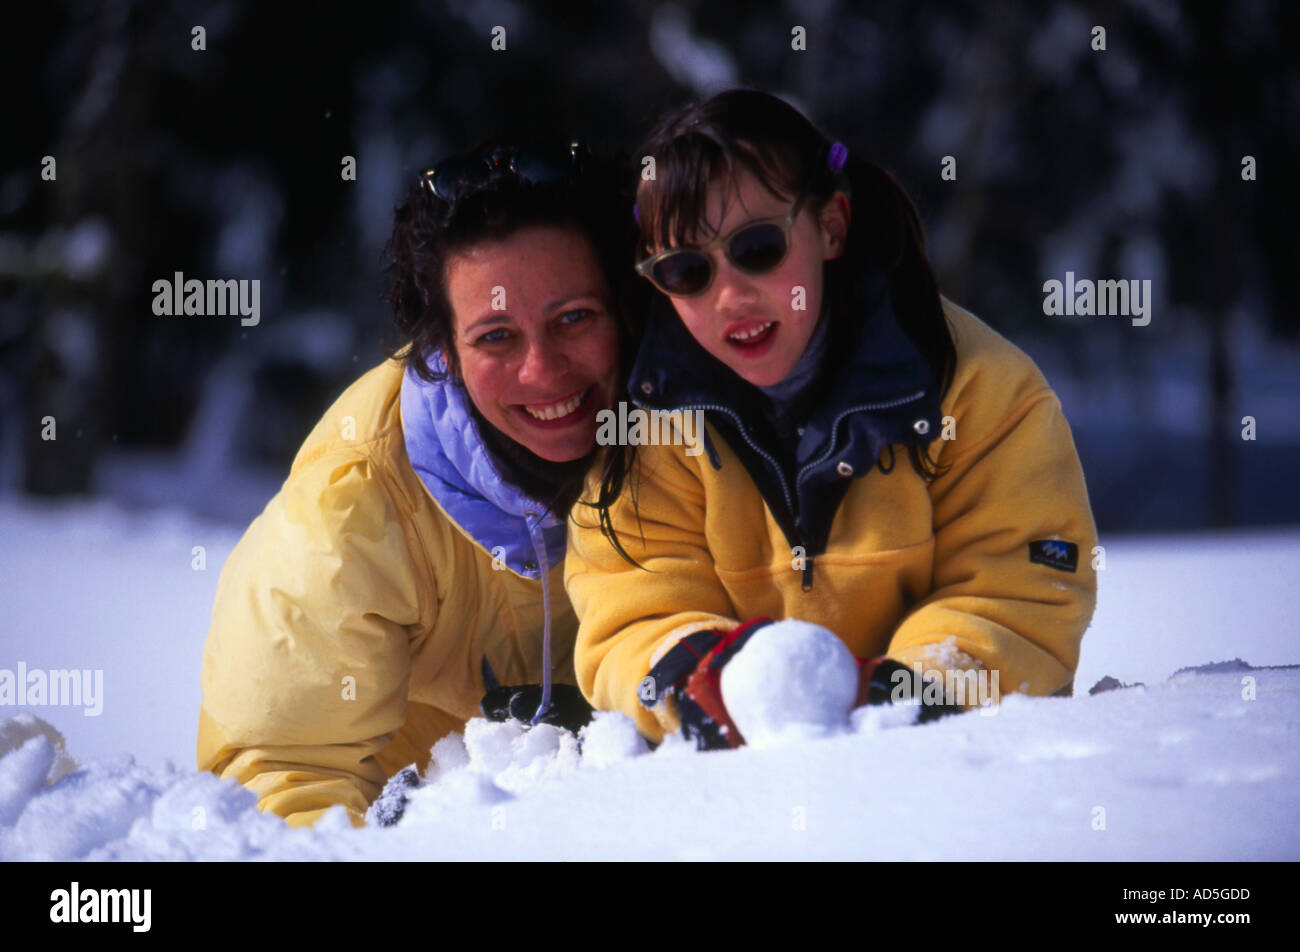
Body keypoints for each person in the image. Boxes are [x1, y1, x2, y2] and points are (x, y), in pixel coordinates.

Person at [564, 90, 1099, 749]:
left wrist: (899, 699)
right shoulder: (648, 419)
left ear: (832, 225)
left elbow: (1021, 596)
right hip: (732, 802)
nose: (730, 295)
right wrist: (706, 679)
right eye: (687, 270)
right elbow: (629, 608)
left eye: (757, 247)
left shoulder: (981, 390)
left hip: (952, 784)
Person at [198, 140, 640, 826]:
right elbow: (283, 786)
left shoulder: (690, 437)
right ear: (443, 348)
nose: (543, 370)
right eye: (496, 336)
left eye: (574, 317)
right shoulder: (354, 507)